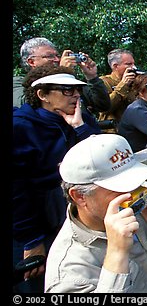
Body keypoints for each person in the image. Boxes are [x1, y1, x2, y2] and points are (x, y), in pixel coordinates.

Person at [44, 134, 147, 293]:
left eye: (135, 181)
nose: (133, 192)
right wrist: (116, 254)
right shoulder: (69, 270)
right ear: (80, 196)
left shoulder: (142, 197)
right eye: (120, 187)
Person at [13, 65, 101, 292]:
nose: (76, 95)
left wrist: (80, 128)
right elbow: (16, 191)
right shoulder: (20, 127)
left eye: (77, 90)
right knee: (42, 282)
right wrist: (31, 240)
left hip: (74, 216)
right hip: (37, 223)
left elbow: (101, 157)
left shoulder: (80, 119)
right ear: (42, 95)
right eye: (66, 90)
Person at [15, 37, 111, 117]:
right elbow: (26, 105)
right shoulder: (17, 82)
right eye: (49, 56)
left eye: (57, 55)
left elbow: (103, 106)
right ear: (32, 62)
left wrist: (92, 77)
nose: (57, 59)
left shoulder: (73, 82)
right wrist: (60, 75)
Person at [98, 48, 140, 133]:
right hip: (114, 132)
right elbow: (106, 108)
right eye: (128, 64)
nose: (133, 67)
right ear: (115, 66)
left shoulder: (135, 81)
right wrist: (123, 85)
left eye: (133, 64)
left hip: (135, 131)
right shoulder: (103, 82)